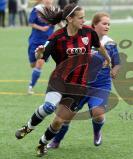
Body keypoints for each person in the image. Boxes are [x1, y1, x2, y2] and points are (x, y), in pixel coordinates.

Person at [15, 3, 111, 157]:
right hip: (59, 81)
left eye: (84, 18)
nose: (83, 21)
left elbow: (99, 46)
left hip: (78, 87)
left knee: (58, 121)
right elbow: (41, 57)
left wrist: (108, 59)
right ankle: (27, 128)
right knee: (48, 107)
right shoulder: (56, 37)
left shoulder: (88, 32)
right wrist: (39, 53)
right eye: (80, 18)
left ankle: (42, 144)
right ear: (70, 19)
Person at [47, 12, 121, 149]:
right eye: (104, 23)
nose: (107, 26)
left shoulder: (110, 44)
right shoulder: (83, 36)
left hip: (100, 86)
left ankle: (97, 132)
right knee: (64, 117)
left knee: (98, 114)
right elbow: (67, 32)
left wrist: (114, 70)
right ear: (94, 25)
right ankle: (56, 141)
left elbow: (117, 62)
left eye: (109, 24)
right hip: (79, 84)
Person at [27, 0, 55, 94]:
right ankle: (34, 72)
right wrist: (41, 28)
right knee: (33, 64)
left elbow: (59, 23)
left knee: (40, 63)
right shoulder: (37, 10)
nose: (48, 1)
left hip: (47, 42)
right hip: (35, 41)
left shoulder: (55, 12)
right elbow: (31, 23)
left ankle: (31, 86)